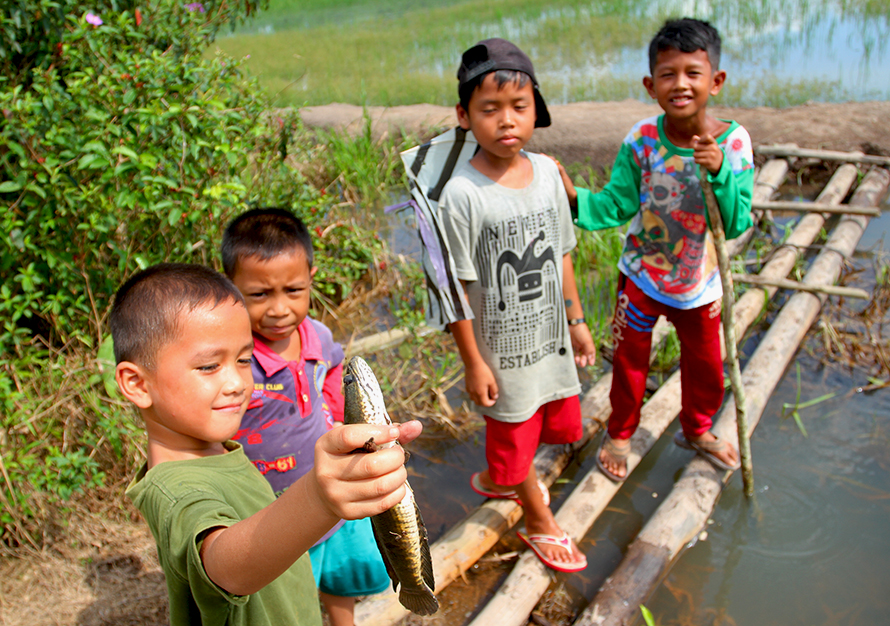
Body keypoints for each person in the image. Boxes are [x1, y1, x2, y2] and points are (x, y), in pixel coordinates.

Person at [112, 263, 420, 626]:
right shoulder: (175, 491)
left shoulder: (219, 449)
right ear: (136, 384)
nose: (238, 383)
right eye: (210, 366)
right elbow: (225, 565)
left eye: (245, 360)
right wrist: (319, 497)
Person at [563, 18, 752, 481]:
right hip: (642, 277)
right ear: (651, 84)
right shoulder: (643, 140)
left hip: (699, 284)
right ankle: (622, 431)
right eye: (668, 74)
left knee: (706, 367)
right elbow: (616, 203)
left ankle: (698, 428)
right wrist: (572, 198)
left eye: (693, 72)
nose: (680, 84)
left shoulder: (733, 143)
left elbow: (736, 221)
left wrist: (721, 172)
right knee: (629, 363)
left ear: (716, 81)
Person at [438, 38, 596, 573]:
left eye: (519, 107)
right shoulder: (461, 195)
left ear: (536, 110)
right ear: (464, 116)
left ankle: (502, 479)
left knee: (537, 426)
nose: (507, 121)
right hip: (501, 352)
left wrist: (576, 321)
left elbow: (563, 254)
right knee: (512, 429)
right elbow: (455, 287)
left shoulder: (550, 174)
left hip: (548, 338)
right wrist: (473, 361)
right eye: (490, 109)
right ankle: (536, 518)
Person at [220, 208, 392, 626]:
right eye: (260, 294)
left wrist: (335, 413)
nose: (280, 309)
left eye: (293, 290)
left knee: (340, 574)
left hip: (326, 490)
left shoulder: (317, 335)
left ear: (311, 276)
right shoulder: (233, 356)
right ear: (231, 286)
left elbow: (333, 366)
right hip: (268, 511)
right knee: (283, 597)